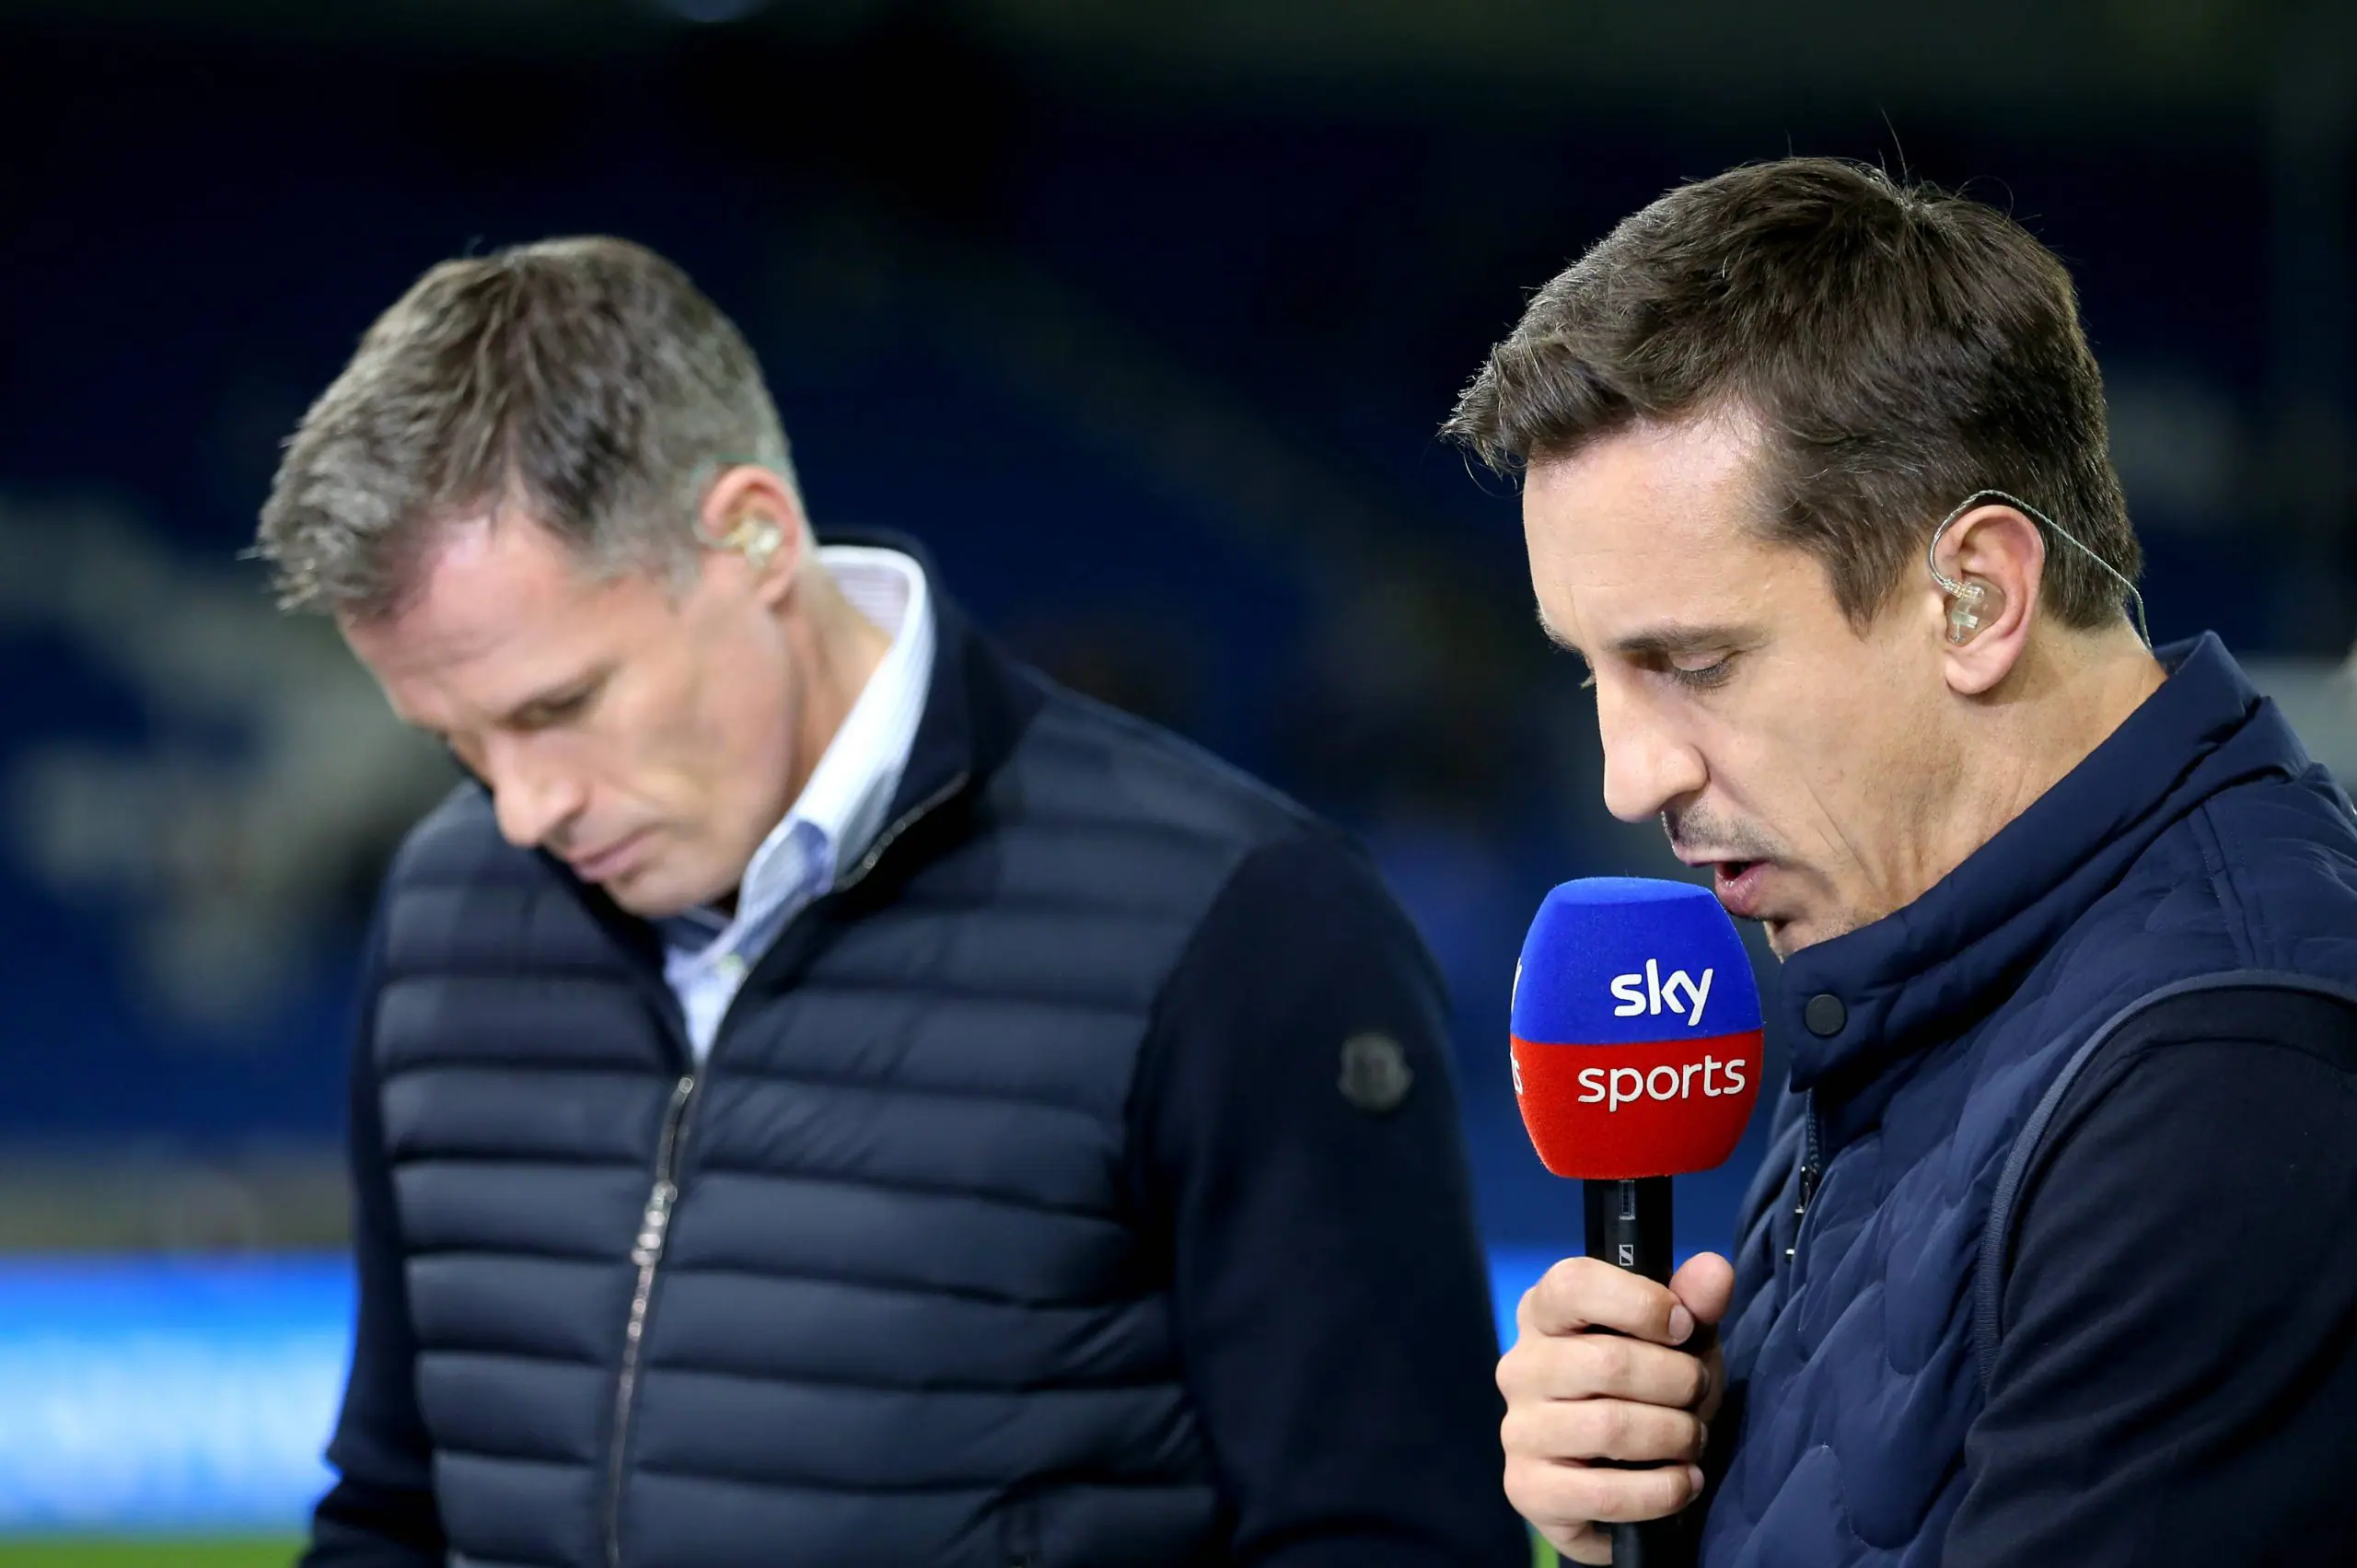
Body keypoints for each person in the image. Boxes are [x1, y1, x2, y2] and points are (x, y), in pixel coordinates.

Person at [257, 236, 1527, 1568]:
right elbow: (393, 1508)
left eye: (559, 706)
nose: (524, 809)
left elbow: (1391, 1541)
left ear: (753, 535)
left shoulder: (1247, 922)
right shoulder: (447, 904)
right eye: (456, 741)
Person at [1443, 158, 2357, 1566]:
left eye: (1693, 663)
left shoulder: (2225, 1076)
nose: (1631, 778)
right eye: (1594, 673)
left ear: (1975, 594)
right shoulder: (1916, 949)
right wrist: (1659, 1506)